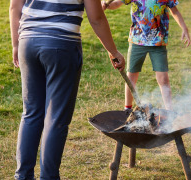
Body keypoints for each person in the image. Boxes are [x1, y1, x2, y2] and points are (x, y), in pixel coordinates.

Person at [9, 0, 125, 179]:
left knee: (31, 114)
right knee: (56, 118)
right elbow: (97, 18)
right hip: (61, 45)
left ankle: (22, 176)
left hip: (28, 42)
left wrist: (16, 44)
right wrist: (114, 51)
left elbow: (14, 6)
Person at [101, 0, 191, 111]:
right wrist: (106, 5)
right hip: (137, 41)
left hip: (158, 42)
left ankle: (169, 112)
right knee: (131, 77)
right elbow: (117, 3)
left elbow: (175, 11)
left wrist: (184, 28)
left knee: (163, 79)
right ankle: (127, 108)